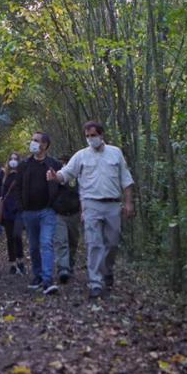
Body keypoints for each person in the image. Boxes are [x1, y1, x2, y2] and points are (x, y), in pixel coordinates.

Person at [47, 121, 135, 299]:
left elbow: (126, 180)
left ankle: (107, 271)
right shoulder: (81, 155)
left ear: (101, 135)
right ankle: (95, 282)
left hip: (112, 204)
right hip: (91, 204)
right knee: (94, 243)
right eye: (87, 136)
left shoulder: (115, 153)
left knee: (112, 242)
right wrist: (56, 177)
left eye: (93, 135)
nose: (90, 139)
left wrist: (128, 203)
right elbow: (67, 173)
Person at [15, 131, 62, 295]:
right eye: (32, 140)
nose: (32, 143)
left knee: (46, 243)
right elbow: (17, 187)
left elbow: (62, 184)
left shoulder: (54, 164)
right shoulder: (24, 165)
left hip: (47, 211)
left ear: (45, 145)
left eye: (36, 140)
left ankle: (48, 280)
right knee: (34, 246)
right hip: (29, 212)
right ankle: (38, 276)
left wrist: (56, 203)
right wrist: (21, 207)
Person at [52, 155, 81, 284]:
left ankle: (70, 264)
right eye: (62, 163)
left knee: (73, 241)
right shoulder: (55, 178)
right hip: (59, 214)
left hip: (75, 213)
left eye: (66, 163)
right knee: (61, 241)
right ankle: (63, 268)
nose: (64, 165)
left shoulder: (77, 177)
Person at [0, 152, 26, 275]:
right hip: (7, 210)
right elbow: (0, 190)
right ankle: (12, 263)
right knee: (10, 238)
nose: (13, 161)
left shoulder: (22, 174)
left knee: (17, 235)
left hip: (19, 209)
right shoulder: (4, 175)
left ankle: (20, 260)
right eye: (11, 159)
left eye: (16, 159)